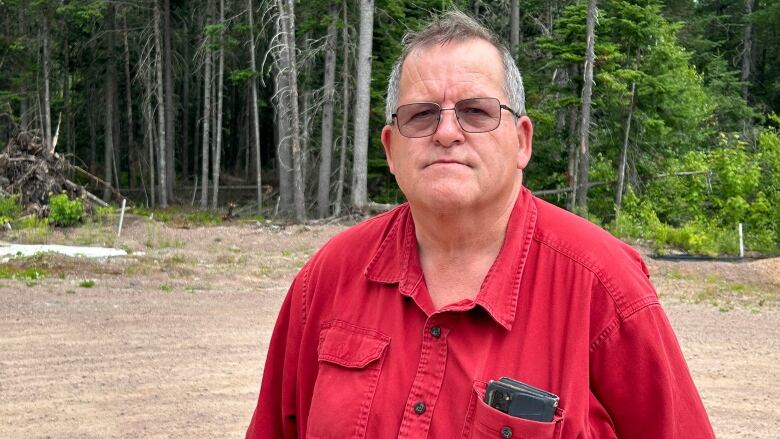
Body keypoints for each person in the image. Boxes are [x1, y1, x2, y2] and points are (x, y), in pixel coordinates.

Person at [246, 10, 715, 439]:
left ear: (521, 141)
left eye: (476, 112)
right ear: (391, 149)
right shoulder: (328, 278)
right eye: (422, 114)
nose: (446, 132)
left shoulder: (605, 288)